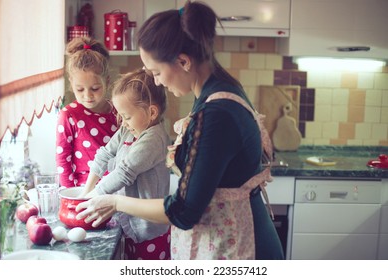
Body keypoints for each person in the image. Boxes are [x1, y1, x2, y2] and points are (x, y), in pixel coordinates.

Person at [76, 0, 284, 260]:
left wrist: (115, 202)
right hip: (231, 240)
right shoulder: (220, 90)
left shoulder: (215, 114)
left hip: (241, 251)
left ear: (183, 61)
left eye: (156, 71)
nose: (156, 81)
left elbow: (183, 212)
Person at [79, 68, 171, 260]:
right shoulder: (128, 130)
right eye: (120, 116)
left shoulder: (154, 139)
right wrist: (85, 193)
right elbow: (104, 154)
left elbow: (124, 172)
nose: (123, 122)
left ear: (152, 112)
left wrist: (95, 195)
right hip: (129, 223)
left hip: (149, 230)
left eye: (127, 117)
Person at [56, 37, 119, 188]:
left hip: (118, 187)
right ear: (71, 83)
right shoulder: (68, 115)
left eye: (95, 88)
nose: (87, 95)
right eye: (80, 89)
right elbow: (63, 159)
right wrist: (70, 195)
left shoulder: (119, 111)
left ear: (107, 81)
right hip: (84, 190)